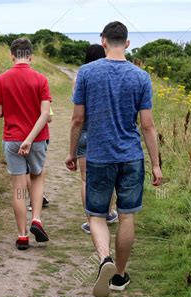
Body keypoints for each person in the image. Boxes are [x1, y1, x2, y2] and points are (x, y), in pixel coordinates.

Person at [65, 22, 163, 297]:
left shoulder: (86, 73)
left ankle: (104, 259)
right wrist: (155, 164)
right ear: (128, 43)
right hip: (131, 155)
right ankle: (119, 275)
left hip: (98, 155)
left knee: (96, 214)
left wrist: (72, 152)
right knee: (127, 216)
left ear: (103, 41)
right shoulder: (141, 77)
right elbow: (147, 125)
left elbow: (77, 119)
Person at [0, 38, 51, 250]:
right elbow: (45, 114)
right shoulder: (41, 79)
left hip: (12, 138)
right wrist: (30, 139)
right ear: (31, 56)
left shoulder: (2, 79)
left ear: (12, 55)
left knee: (18, 187)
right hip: (37, 139)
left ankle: (22, 236)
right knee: (36, 178)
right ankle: (36, 219)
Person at [74, 45, 118, 234]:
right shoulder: (112, 77)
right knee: (108, 179)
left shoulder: (80, 77)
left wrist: (71, 148)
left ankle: (91, 221)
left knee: (86, 179)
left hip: (85, 133)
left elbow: (77, 116)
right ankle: (107, 214)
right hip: (106, 134)